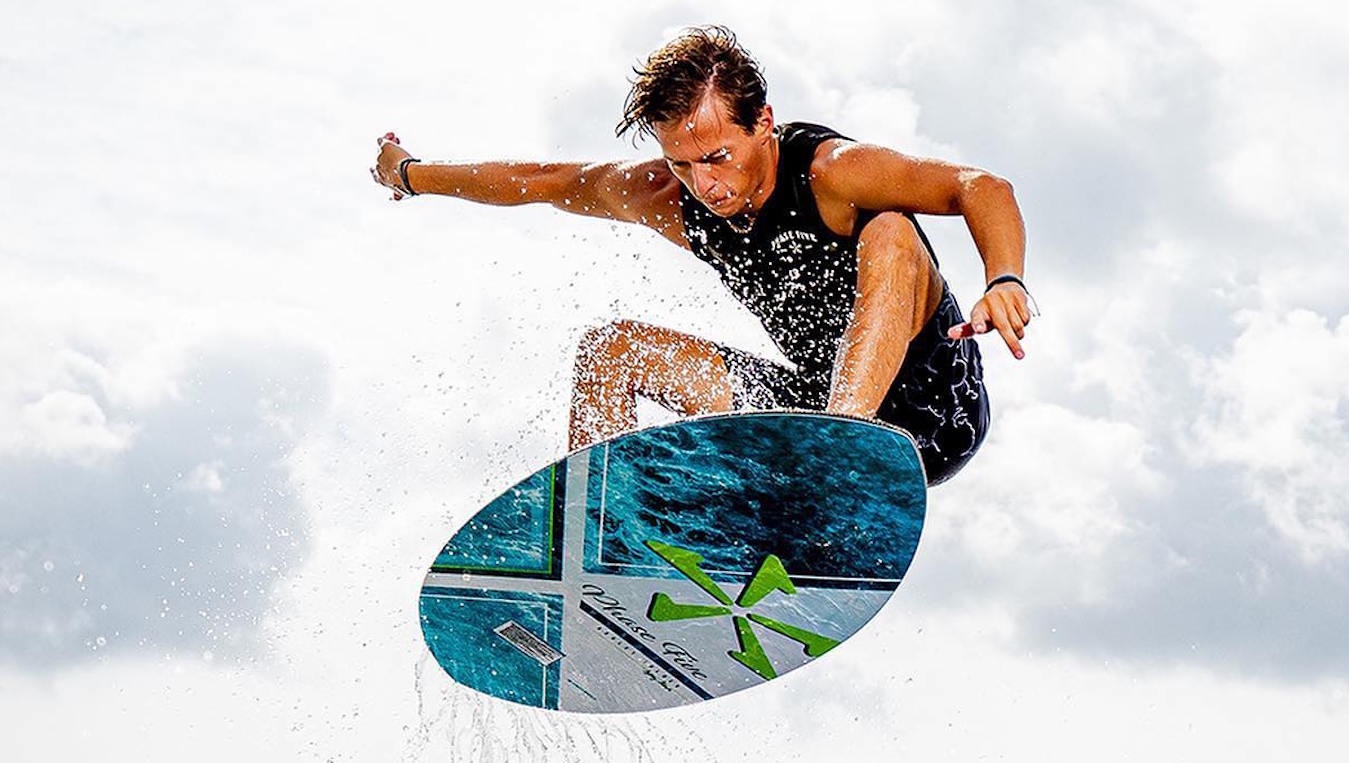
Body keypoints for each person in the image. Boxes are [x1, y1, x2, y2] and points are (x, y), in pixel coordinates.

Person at [370, 26, 1032, 484]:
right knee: (611, 352)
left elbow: (979, 186)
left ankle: (838, 449)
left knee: (890, 230)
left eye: (718, 156)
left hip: (934, 414)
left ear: (762, 123)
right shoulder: (669, 198)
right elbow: (546, 181)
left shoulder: (831, 171)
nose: (705, 183)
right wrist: (410, 174)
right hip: (811, 405)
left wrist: (1004, 278)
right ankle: (599, 531)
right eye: (682, 163)